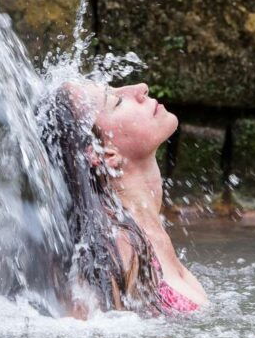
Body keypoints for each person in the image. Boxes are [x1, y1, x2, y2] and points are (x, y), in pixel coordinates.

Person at [37, 80, 208, 317]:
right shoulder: (116, 247)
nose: (141, 87)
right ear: (104, 155)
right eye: (116, 102)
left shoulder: (143, 235)